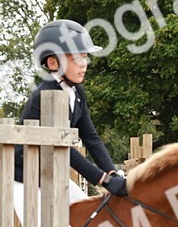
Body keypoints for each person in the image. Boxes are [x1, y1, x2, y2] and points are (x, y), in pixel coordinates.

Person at [14, 19, 127, 216]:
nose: (84, 65)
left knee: (92, 218)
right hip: (25, 178)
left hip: (52, 173)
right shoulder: (44, 95)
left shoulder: (77, 92)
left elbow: (91, 138)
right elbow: (62, 147)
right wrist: (103, 180)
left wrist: (112, 172)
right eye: (77, 59)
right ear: (52, 62)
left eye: (85, 57)